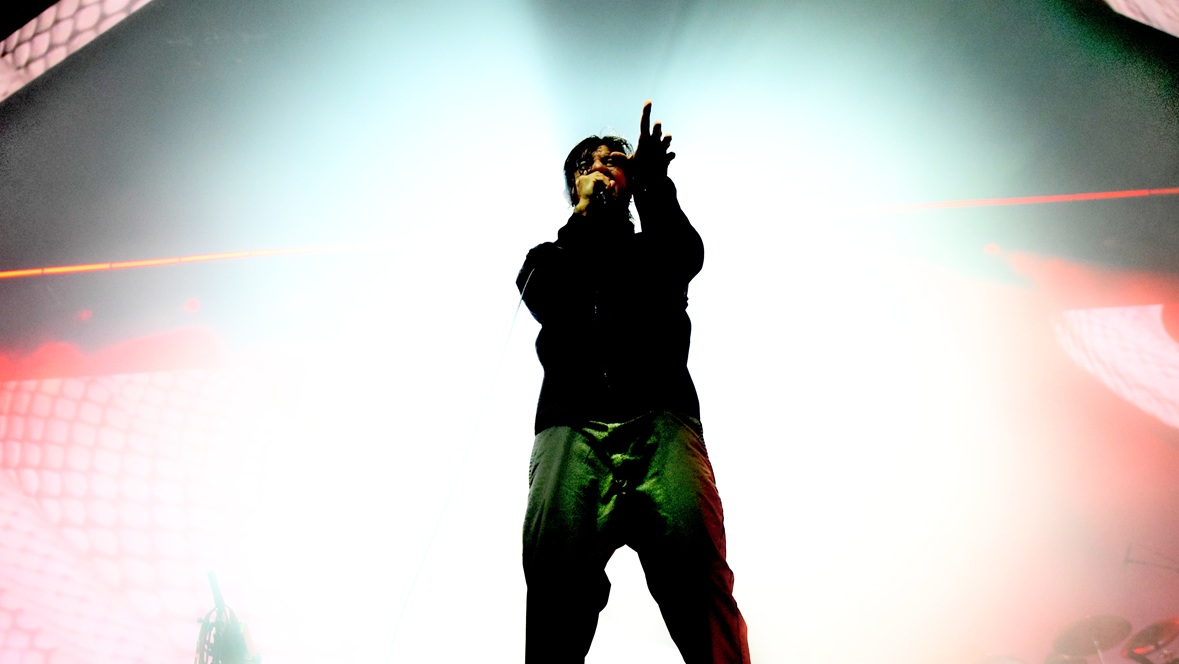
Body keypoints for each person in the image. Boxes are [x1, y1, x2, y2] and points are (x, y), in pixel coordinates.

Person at [516, 101, 751, 664]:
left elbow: (684, 254)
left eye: (614, 159)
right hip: (570, 431)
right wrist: (583, 217)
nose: (602, 165)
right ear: (574, 185)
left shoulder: (653, 247)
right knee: (555, 592)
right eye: (588, 163)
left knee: (699, 583)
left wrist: (653, 185)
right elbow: (544, 295)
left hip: (661, 424)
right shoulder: (548, 257)